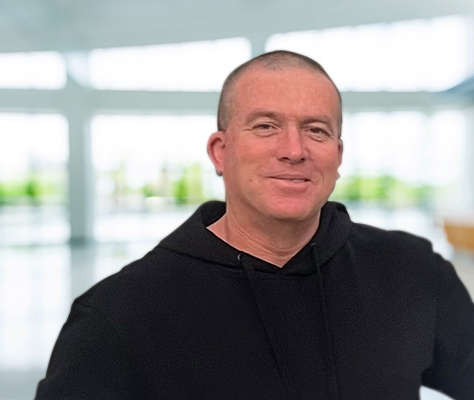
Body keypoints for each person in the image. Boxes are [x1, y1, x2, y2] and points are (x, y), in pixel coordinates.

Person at [35, 51, 474, 399]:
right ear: (220, 151)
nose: (294, 150)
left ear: (337, 156)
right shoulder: (118, 316)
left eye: (316, 130)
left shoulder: (413, 272)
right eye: (266, 126)